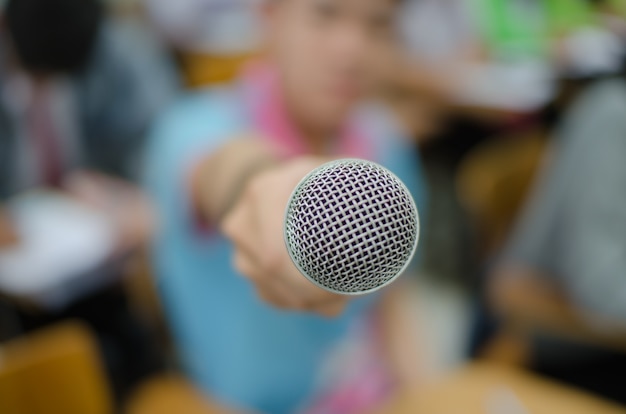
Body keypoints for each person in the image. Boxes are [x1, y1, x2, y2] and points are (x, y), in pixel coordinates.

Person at [145, 0, 427, 413]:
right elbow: (223, 172)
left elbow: (394, 302)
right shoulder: (191, 129)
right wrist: (269, 187)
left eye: (378, 26)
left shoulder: (387, 144)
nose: (351, 49)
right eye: (325, 14)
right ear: (270, 16)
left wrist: (422, 394)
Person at [0, 0, 178, 400]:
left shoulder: (115, 47)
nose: (45, 87)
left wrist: (129, 195)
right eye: (35, 76)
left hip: (99, 247)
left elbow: (164, 140)